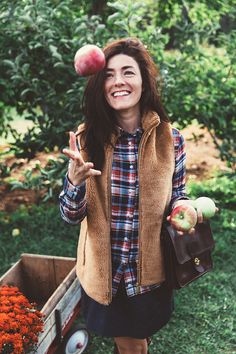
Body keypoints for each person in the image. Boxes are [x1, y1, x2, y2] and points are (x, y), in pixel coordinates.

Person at [59, 37, 201, 354]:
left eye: (128, 72)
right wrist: (75, 180)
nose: (118, 81)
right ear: (99, 84)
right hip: (104, 273)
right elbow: (69, 216)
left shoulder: (171, 138)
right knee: (132, 344)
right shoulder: (86, 138)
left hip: (149, 273)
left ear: (143, 81)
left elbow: (178, 192)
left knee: (134, 341)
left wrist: (184, 207)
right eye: (108, 74)